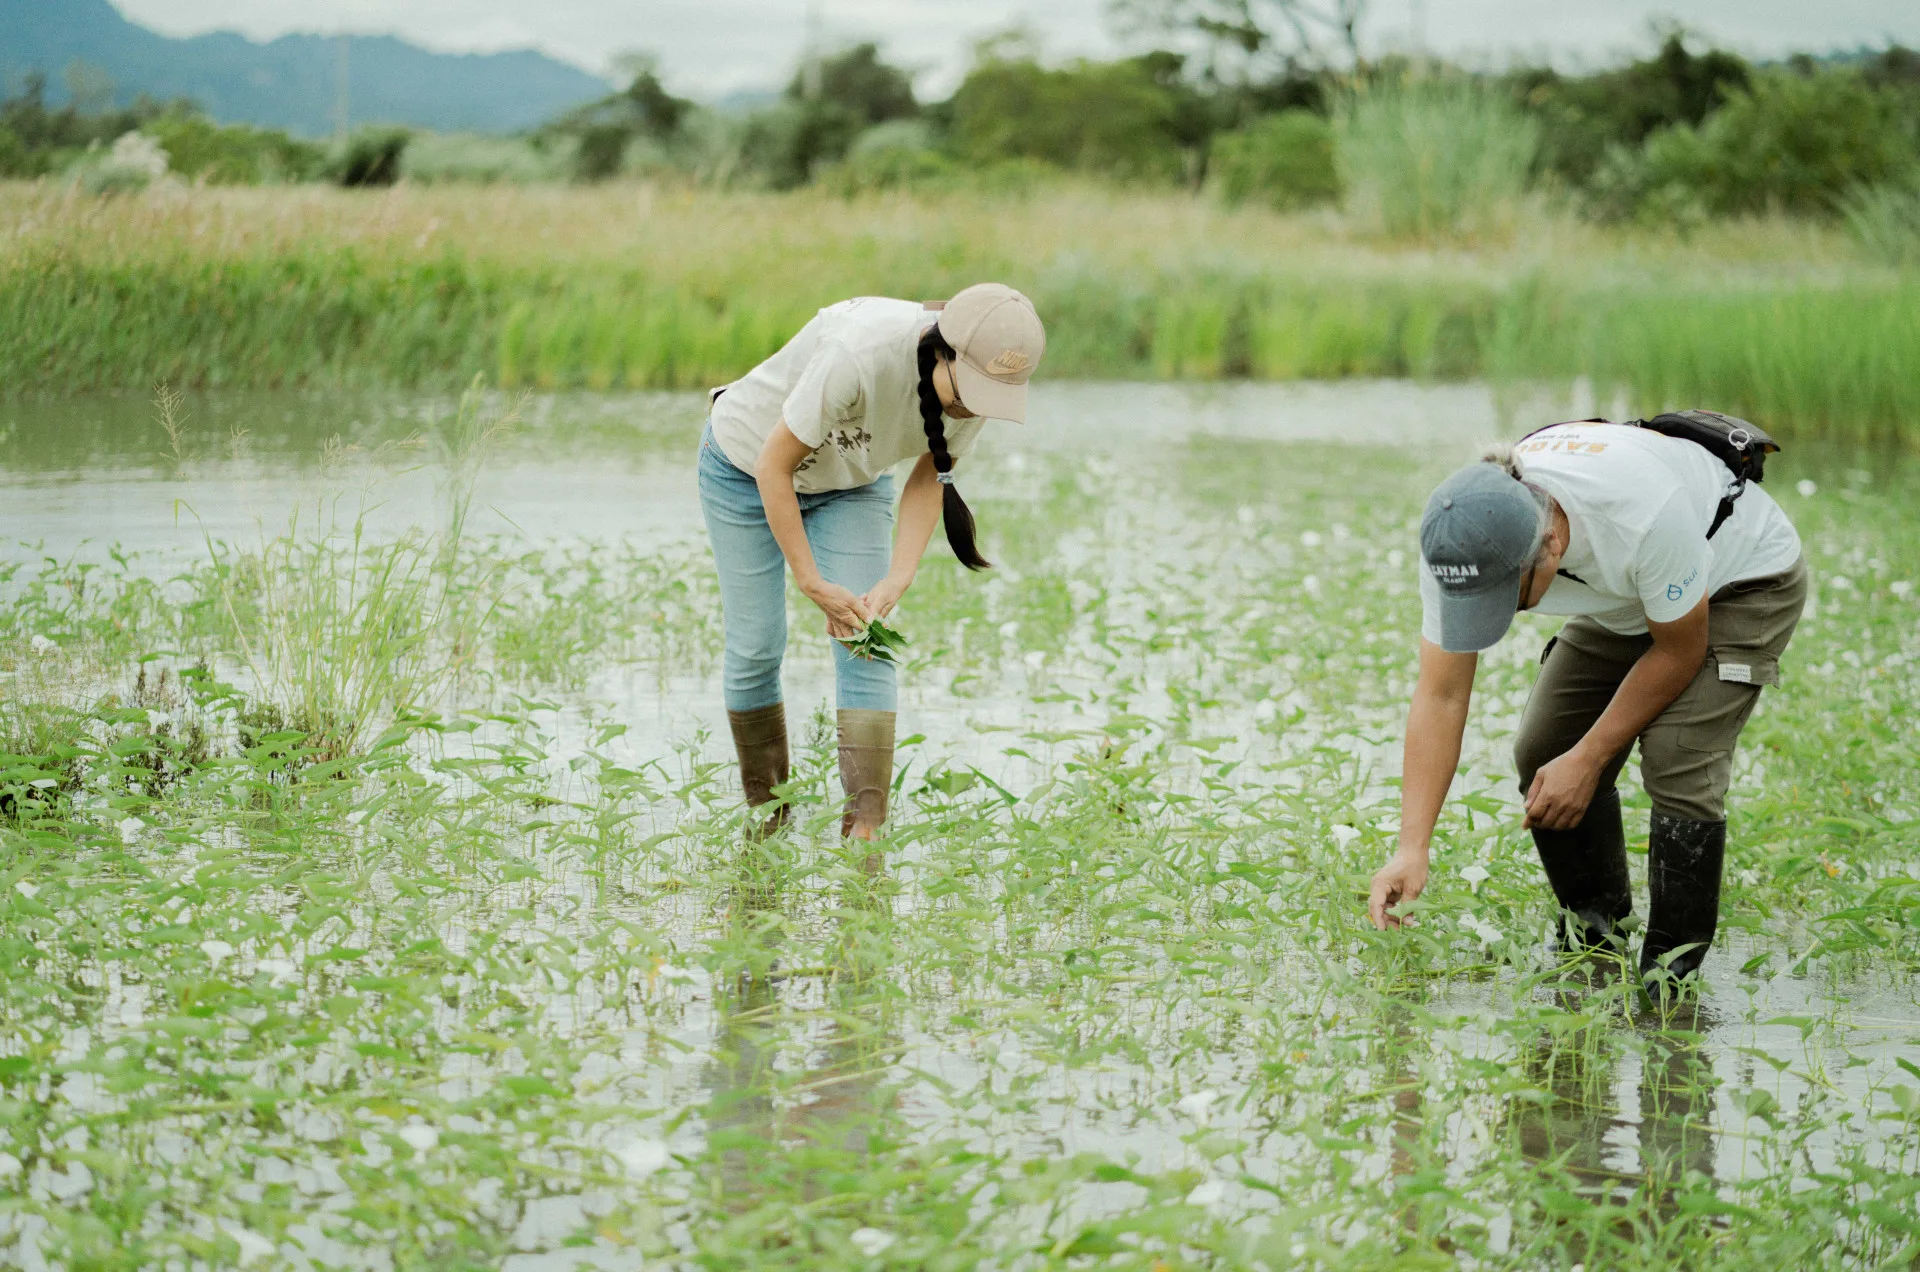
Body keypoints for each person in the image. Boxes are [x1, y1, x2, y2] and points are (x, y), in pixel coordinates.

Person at [1367, 416, 1807, 987]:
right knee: (1545, 750)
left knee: (1677, 755)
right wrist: (1412, 847)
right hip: (1628, 595)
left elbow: (1679, 652)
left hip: (1740, 581)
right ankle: (1596, 940)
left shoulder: (1641, 513)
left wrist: (1590, 758)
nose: (1498, 612)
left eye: (1507, 597)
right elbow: (1442, 693)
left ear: (1550, 546)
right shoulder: (1459, 535)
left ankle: (1669, 981)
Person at [699, 285, 1045, 839]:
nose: (974, 406)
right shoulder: (859, 352)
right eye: (970, 391)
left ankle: (865, 834)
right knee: (757, 644)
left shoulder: (976, 387)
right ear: (944, 351)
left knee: (867, 638)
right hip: (745, 465)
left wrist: (898, 577)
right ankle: (768, 816)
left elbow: (931, 476)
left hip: (851, 484)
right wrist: (811, 582)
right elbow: (773, 467)